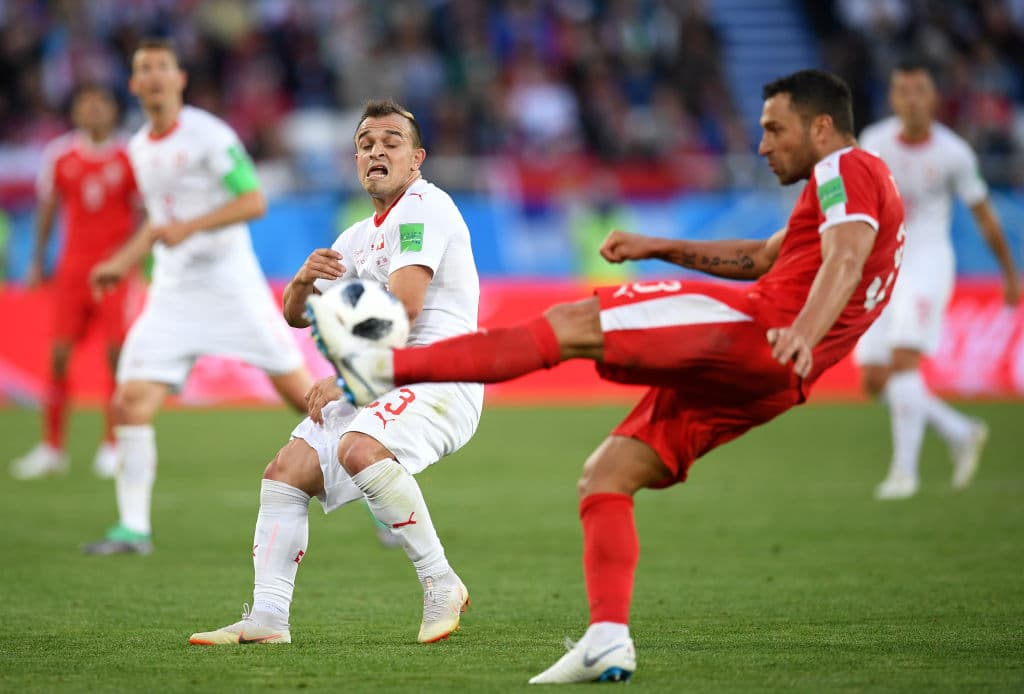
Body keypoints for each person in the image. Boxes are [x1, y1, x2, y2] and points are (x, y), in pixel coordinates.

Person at [313, 70, 905, 683]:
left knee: (568, 324)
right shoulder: (849, 192)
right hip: (779, 380)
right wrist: (657, 245)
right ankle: (608, 639)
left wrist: (804, 331)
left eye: (774, 129)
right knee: (608, 475)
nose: (762, 145)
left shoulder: (847, 168)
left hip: (758, 329)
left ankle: (383, 368)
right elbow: (761, 258)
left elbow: (846, 255)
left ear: (823, 126)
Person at [187, 99, 483, 646]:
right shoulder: (354, 237)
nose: (377, 150)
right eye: (366, 143)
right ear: (355, 160)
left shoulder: (424, 207)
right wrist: (301, 281)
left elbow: (407, 309)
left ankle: (442, 581)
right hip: (387, 379)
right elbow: (295, 315)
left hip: (440, 379)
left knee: (359, 447)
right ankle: (269, 619)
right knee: (287, 470)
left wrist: (347, 382)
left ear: (416, 158)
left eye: (391, 141)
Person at [83, 39, 313, 555]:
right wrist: (120, 264)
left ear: (180, 78)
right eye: (145, 69)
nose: (156, 76)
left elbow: (254, 199)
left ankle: (381, 503)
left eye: (164, 66)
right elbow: (159, 221)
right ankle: (133, 529)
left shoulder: (210, 136)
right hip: (173, 293)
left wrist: (193, 226)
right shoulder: (140, 147)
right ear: (134, 85)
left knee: (306, 399)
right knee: (130, 402)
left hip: (231, 286)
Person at [855, 61, 1020, 500]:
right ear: (892, 98)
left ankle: (903, 474)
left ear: (933, 98)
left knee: (903, 359)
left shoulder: (954, 153)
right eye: (902, 90)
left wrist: (1007, 271)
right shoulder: (873, 143)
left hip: (927, 263)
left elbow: (984, 216)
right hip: (882, 265)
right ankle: (960, 430)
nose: (910, 98)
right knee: (873, 379)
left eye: (919, 90)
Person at [10, 84, 139, 481]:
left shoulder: (130, 155)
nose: (94, 110)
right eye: (86, 104)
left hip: (115, 272)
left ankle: (112, 444)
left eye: (102, 103)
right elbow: (47, 211)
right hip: (72, 272)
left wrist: (134, 261)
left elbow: (145, 215)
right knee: (59, 356)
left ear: (113, 111)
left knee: (116, 356)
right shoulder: (60, 156)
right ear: (76, 112)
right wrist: (36, 262)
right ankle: (52, 448)